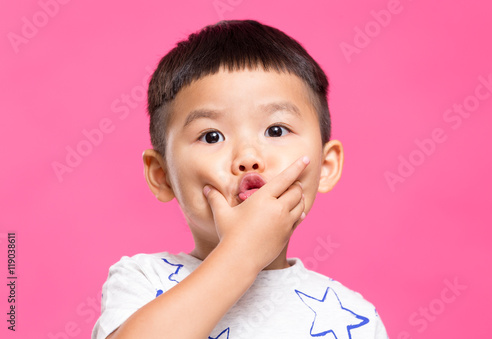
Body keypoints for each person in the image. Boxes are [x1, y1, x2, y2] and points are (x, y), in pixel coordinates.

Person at [92, 19, 389, 339]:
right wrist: (242, 252)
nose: (248, 157)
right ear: (162, 176)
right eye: (211, 136)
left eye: (276, 130)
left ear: (326, 166)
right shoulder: (145, 281)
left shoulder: (353, 317)